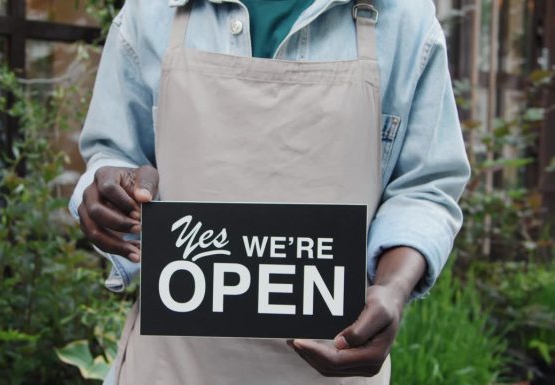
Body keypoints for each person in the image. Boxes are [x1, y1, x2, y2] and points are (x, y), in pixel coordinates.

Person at [69, 0, 470, 383]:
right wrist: (108, 191)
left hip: (334, 369)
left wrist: (392, 287)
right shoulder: (152, 11)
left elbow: (424, 186)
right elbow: (113, 153)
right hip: (171, 367)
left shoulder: (404, 20)